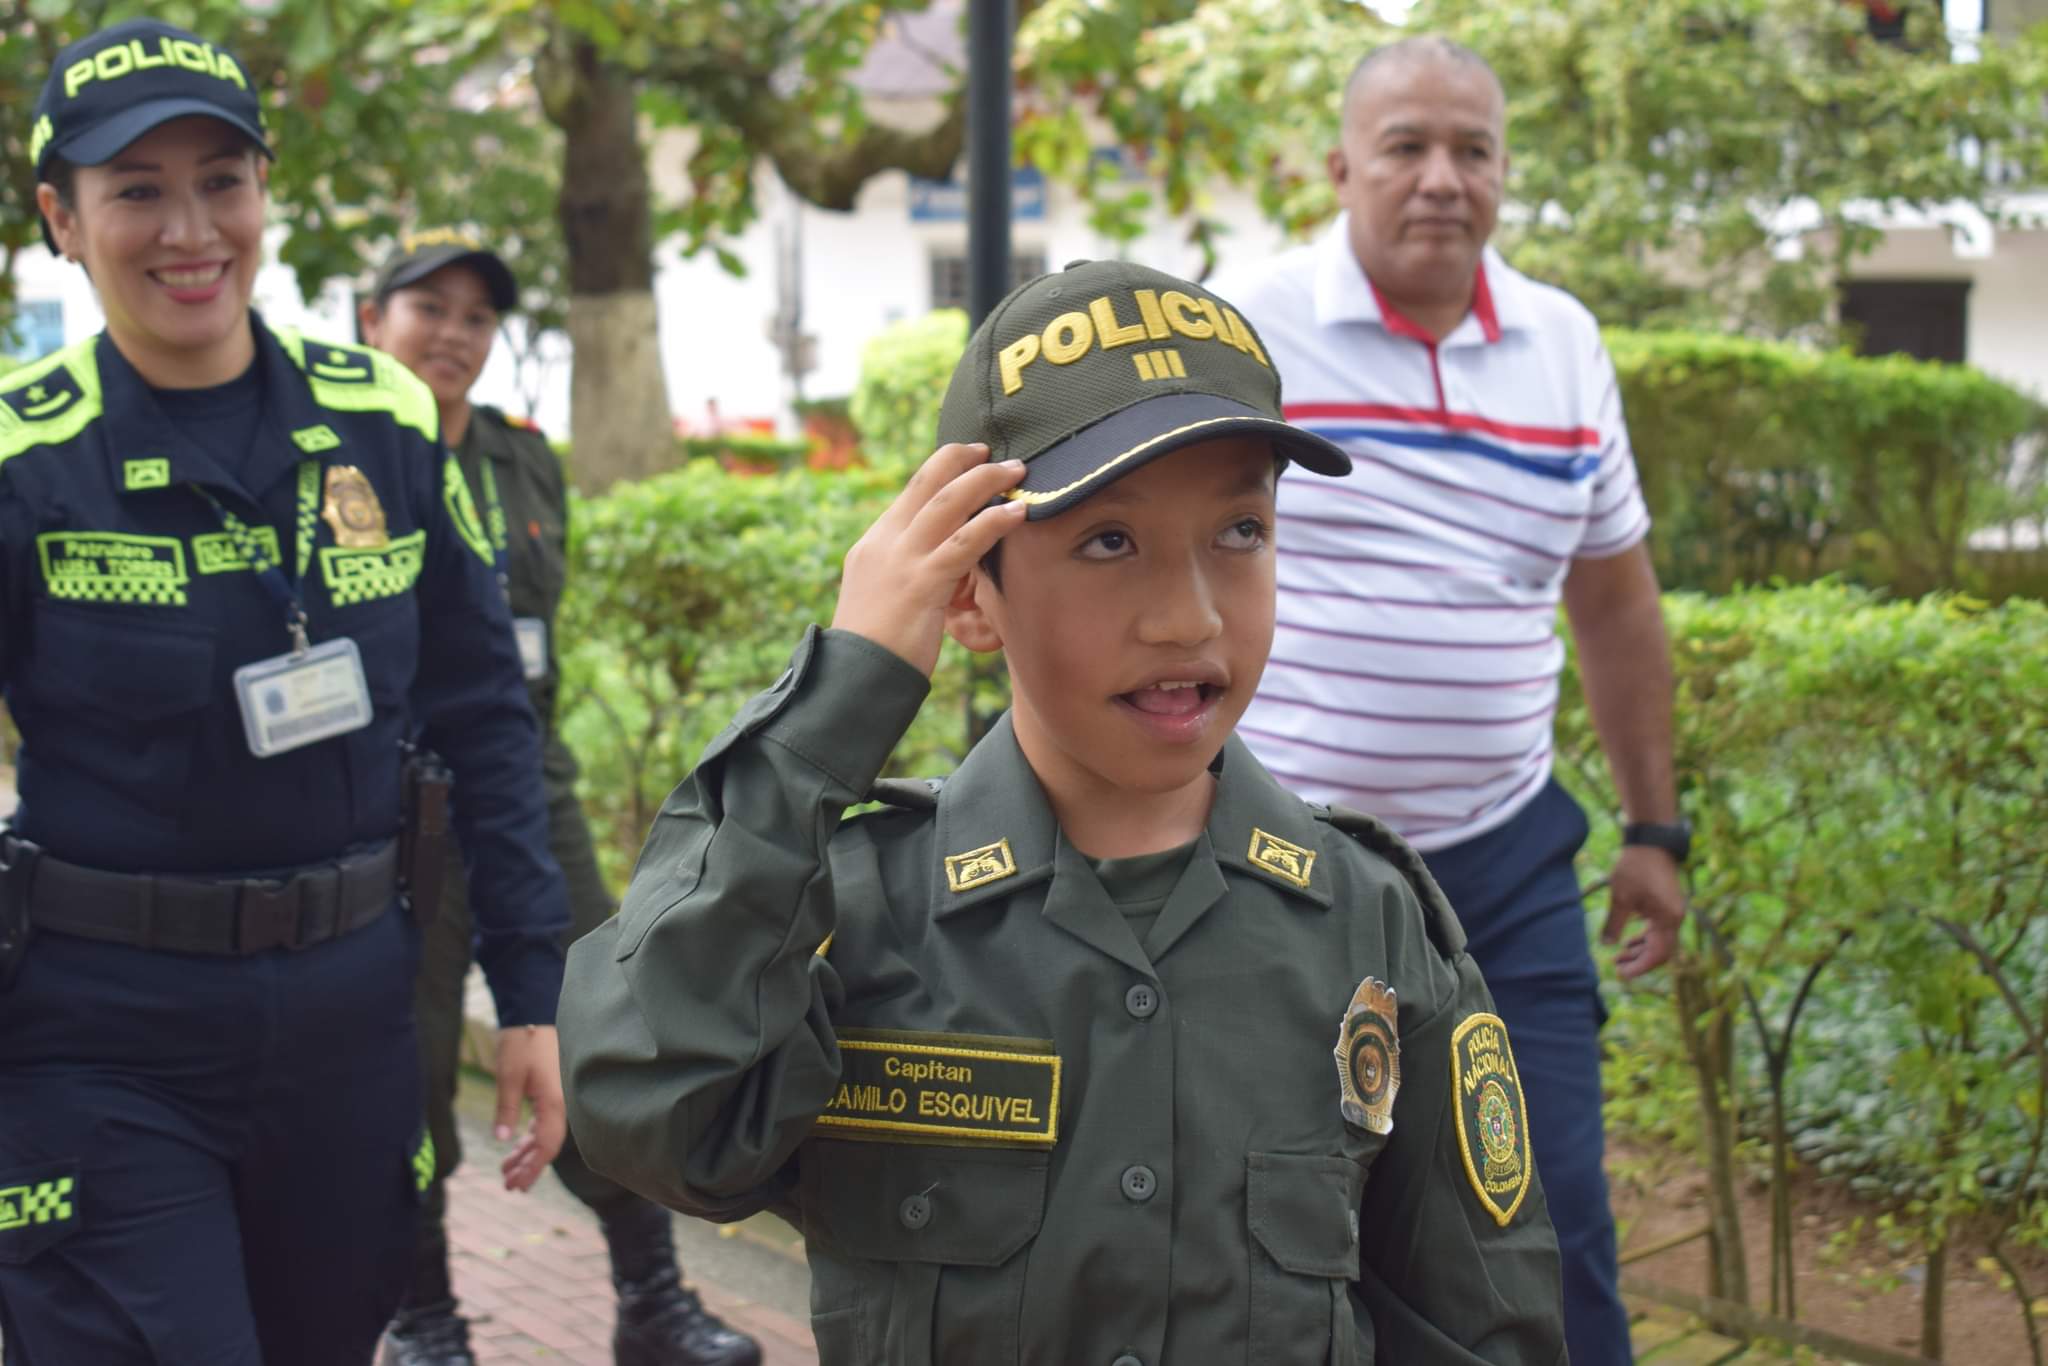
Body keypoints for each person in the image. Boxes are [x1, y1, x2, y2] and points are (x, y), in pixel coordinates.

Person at [557, 259, 1570, 1363]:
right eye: (1107, 541)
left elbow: (1483, 1332)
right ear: (968, 590)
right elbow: (655, 1113)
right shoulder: (853, 911)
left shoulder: (1365, 921)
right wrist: (834, 706)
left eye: (1240, 531)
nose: (1187, 618)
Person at [0, 21, 570, 1365]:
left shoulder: (382, 418)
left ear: (265, 190)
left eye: (221, 180)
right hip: (102, 1036)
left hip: (350, 1019)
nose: (189, 229)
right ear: (61, 221)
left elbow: (486, 716)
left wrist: (531, 988)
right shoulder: (25, 454)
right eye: (136, 190)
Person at [1215, 36, 1689, 1366]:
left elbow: (1614, 601)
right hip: (1281, 867)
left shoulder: (1562, 343)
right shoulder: (1249, 326)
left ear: (1502, 172)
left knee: (1551, 1211)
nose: (1441, 178)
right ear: (1340, 169)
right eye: (1406, 147)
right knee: (1286, 1220)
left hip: (1502, 865)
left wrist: (1654, 831)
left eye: (1471, 150)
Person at [358, 230, 761, 1366]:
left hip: (527, 791)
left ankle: (653, 1301)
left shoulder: (522, 460)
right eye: (428, 309)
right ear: (370, 322)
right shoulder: (341, 460)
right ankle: (424, 1320)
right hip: (388, 810)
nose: (453, 334)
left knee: (601, 1033)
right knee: (406, 1070)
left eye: (476, 317)